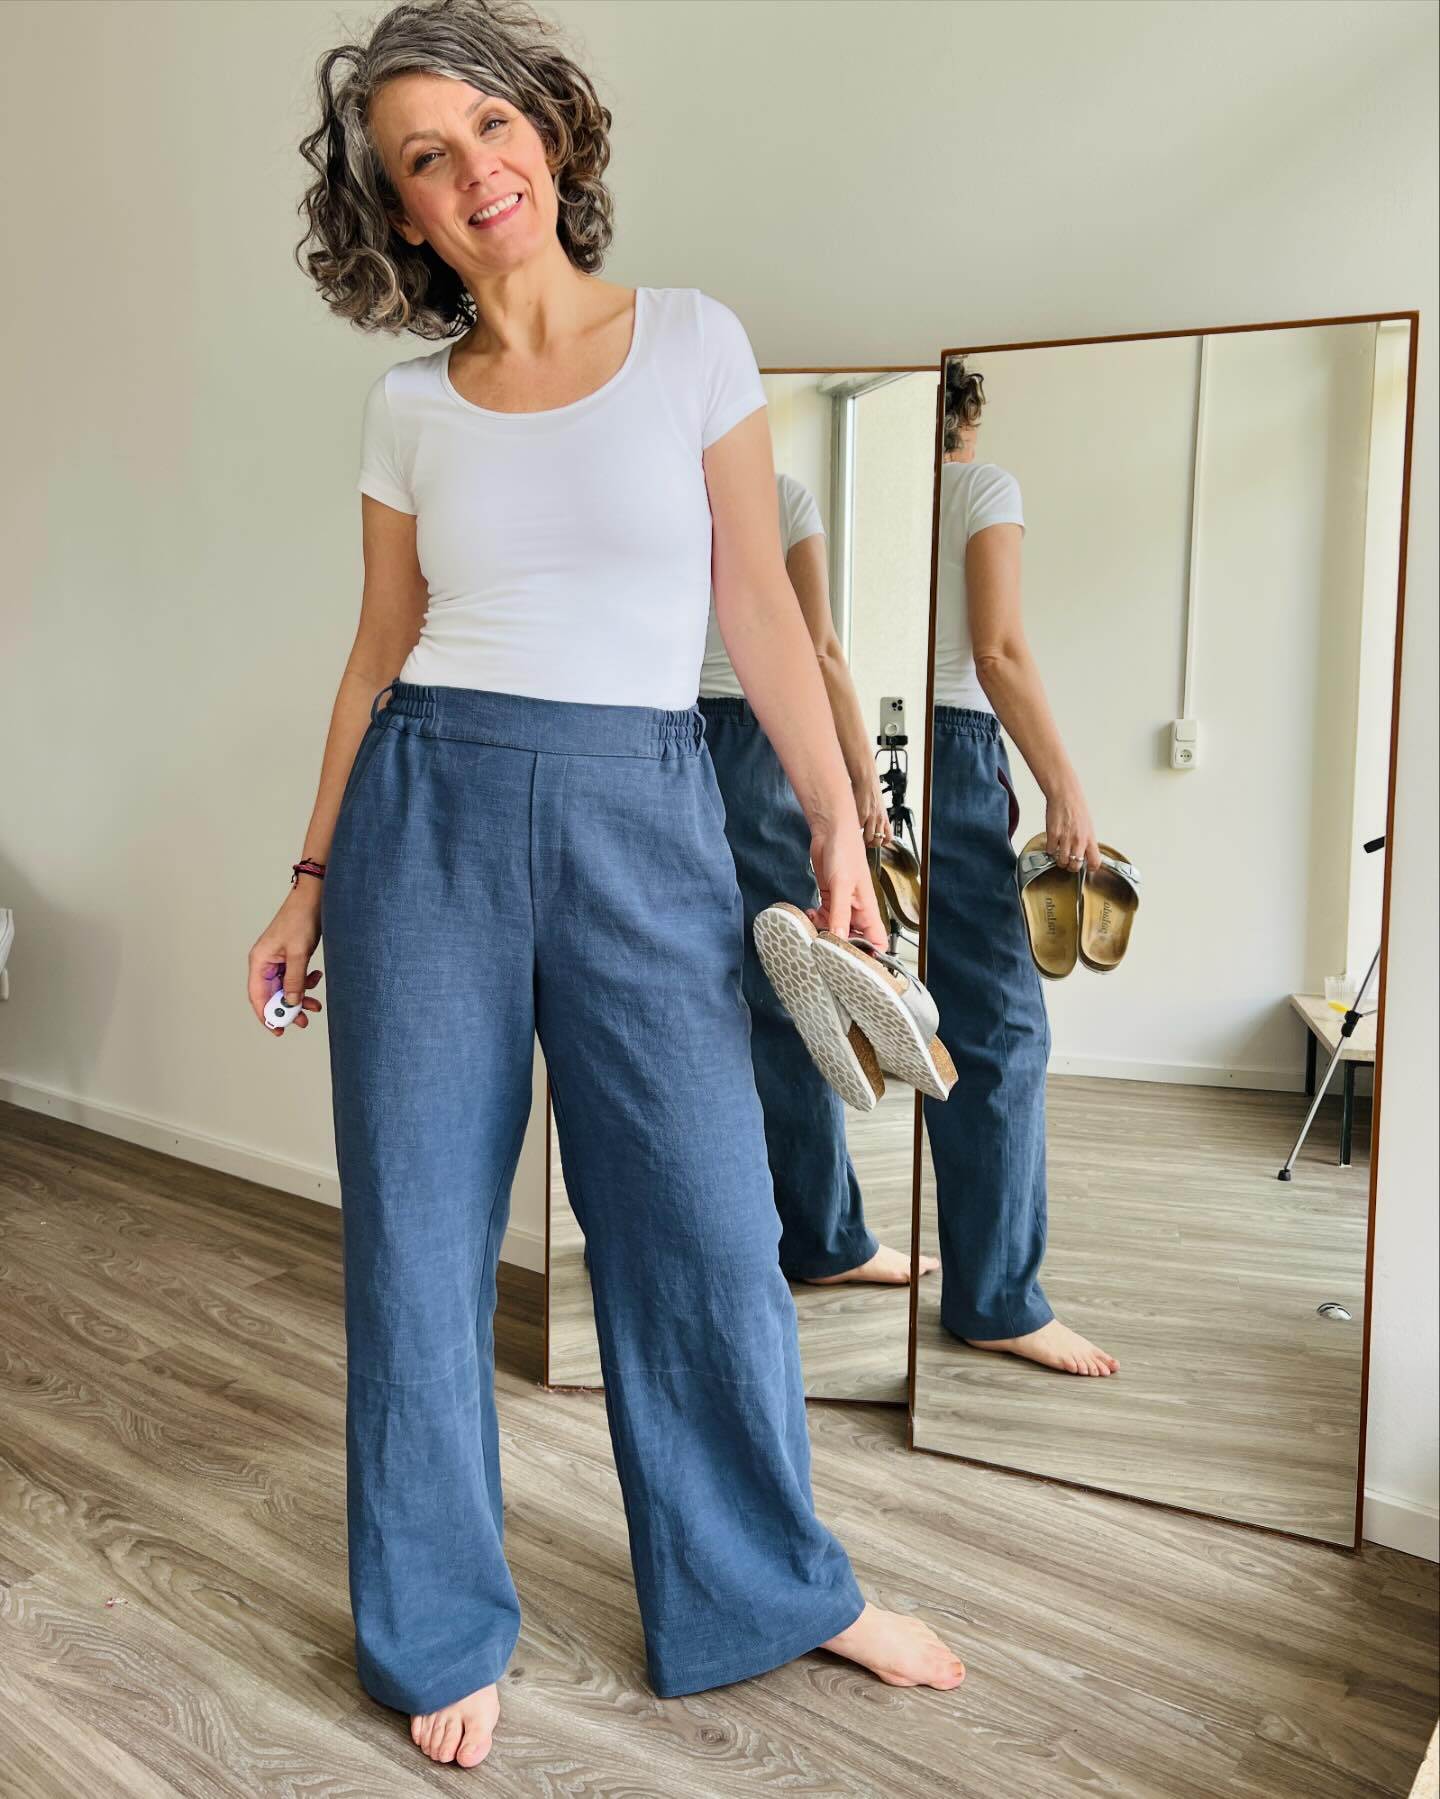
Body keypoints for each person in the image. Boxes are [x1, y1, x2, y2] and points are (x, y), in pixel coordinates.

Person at [248, 0, 964, 1770]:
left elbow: (759, 606)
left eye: (490, 126)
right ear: (400, 209)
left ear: (550, 130)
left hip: (645, 799)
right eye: (426, 157)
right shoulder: (408, 407)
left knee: (707, 1217)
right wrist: (310, 876)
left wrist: (841, 821)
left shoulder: (695, 341)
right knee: (419, 1235)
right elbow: (376, 652)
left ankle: (769, 1585)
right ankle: (434, 1618)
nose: (473, 170)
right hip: (428, 812)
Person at [922, 357, 1119, 1380]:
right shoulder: (980, 487)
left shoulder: (850, 494)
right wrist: (1063, 783)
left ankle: (818, 1239)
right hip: (952, 753)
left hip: (862, 746)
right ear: (968, 413)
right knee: (999, 1030)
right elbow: (996, 651)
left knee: (876, 1012)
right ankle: (998, 1299)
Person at [697, 472, 939, 1287]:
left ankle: (670, 1226)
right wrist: (859, 780)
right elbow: (818, 649)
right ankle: (823, 1238)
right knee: (786, 997)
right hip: (751, 733)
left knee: (671, 998)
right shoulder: (778, 495)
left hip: (651, 737)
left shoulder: (642, 463)